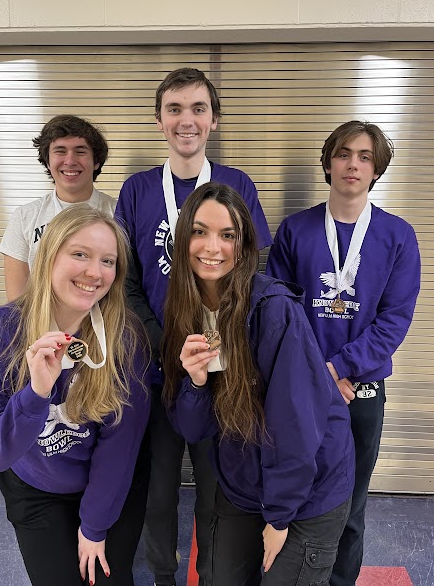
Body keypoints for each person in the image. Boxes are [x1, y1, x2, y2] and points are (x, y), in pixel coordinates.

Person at [115, 68, 272, 586]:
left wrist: (215, 346)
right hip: (157, 374)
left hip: (220, 375)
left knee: (214, 489)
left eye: (198, 109)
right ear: (159, 120)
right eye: (176, 109)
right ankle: (163, 575)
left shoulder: (238, 185)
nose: (187, 120)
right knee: (159, 490)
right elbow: (125, 283)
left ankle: (207, 574)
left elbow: (251, 270)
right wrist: (167, 347)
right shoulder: (137, 190)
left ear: (214, 119)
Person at [161, 182, 354, 586]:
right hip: (244, 481)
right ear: (182, 240)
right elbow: (194, 429)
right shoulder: (183, 309)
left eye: (227, 235)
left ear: (244, 244)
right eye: (199, 232)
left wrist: (280, 516)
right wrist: (196, 383)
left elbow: (296, 427)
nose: (213, 247)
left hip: (307, 487)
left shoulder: (273, 311)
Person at [266, 121, 421, 586]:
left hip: (361, 391)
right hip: (298, 389)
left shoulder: (398, 236)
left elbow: (394, 320)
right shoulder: (296, 230)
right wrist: (317, 373)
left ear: (376, 169)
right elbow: (280, 309)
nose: (353, 163)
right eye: (344, 153)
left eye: (365, 157)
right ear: (329, 162)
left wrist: (339, 368)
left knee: (350, 506)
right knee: (292, 495)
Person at [0, 205, 150, 586]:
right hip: (35, 488)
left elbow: (121, 444)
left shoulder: (125, 338)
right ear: (48, 256)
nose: (94, 272)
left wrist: (95, 527)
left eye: (108, 261)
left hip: (108, 483)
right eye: (79, 254)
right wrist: (36, 393)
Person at [0, 114, 116, 301]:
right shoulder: (24, 217)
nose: (70, 161)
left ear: (96, 162)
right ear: (47, 161)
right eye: (60, 151)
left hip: (104, 325)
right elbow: (16, 300)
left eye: (80, 151)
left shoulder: (119, 213)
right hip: (44, 327)